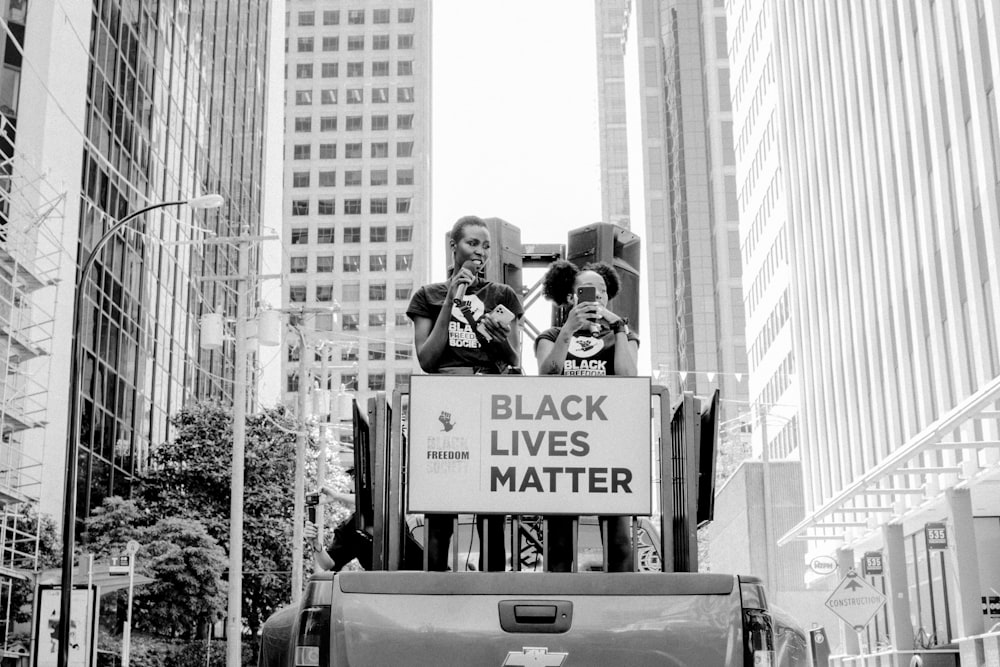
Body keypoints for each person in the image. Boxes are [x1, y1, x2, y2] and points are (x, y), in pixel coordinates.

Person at [407, 215, 523, 571]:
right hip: (447, 402)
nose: (480, 252)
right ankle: (437, 588)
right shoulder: (428, 295)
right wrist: (451, 301)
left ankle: (492, 587)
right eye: (473, 243)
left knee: (492, 507)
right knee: (441, 506)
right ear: (454, 247)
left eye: (486, 246)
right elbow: (427, 359)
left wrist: (498, 337)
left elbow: (515, 360)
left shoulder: (502, 295)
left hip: (490, 399)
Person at [534, 259, 639, 572]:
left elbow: (627, 377)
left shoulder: (622, 334)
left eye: (603, 292)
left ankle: (620, 611)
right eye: (587, 292)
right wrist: (569, 328)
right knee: (560, 541)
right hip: (563, 446)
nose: (597, 298)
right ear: (570, 298)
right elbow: (548, 373)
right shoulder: (551, 335)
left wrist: (619, 327)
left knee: (619, 540)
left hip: (609, 447)